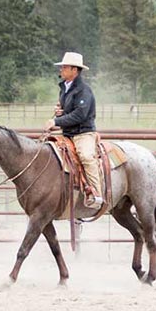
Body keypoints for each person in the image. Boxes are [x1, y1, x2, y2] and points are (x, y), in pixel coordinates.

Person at [44, 51, 103, 209]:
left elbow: (80, 115)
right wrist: (61, 112)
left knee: (86, 156)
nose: (61, 70)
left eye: (64, 67)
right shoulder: (65, 88)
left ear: (74, 70)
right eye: (62, 67)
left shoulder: (84, 90)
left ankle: (97, 194)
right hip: (68, 132)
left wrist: (56, 120)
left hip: (83, 133)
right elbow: (72, 111)